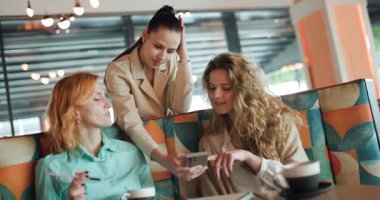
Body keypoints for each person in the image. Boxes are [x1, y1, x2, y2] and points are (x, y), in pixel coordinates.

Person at [104, 5, 206, 179]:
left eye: (171, 50)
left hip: (168, 145)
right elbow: (131, 122)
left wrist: (183, 56)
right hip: (135, 146)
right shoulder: (118, 70)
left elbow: (180, 108)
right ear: (144, 35)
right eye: (158, 46)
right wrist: (163, 158)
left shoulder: (172, 60)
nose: (162, 57)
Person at [199, 53, 309, 196]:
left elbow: (303, 181)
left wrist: (250, 159)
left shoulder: (279, 123)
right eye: (212, 88)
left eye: (226, 88)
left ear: (245, 91)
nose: (216, 95)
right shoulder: (209, 143)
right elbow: (214, 197)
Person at [35, 72, 154, 199]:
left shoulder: (131, 152)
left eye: (105, 96)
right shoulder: (51, 167)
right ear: (75, 113)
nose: (108, 104)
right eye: (97, 99)